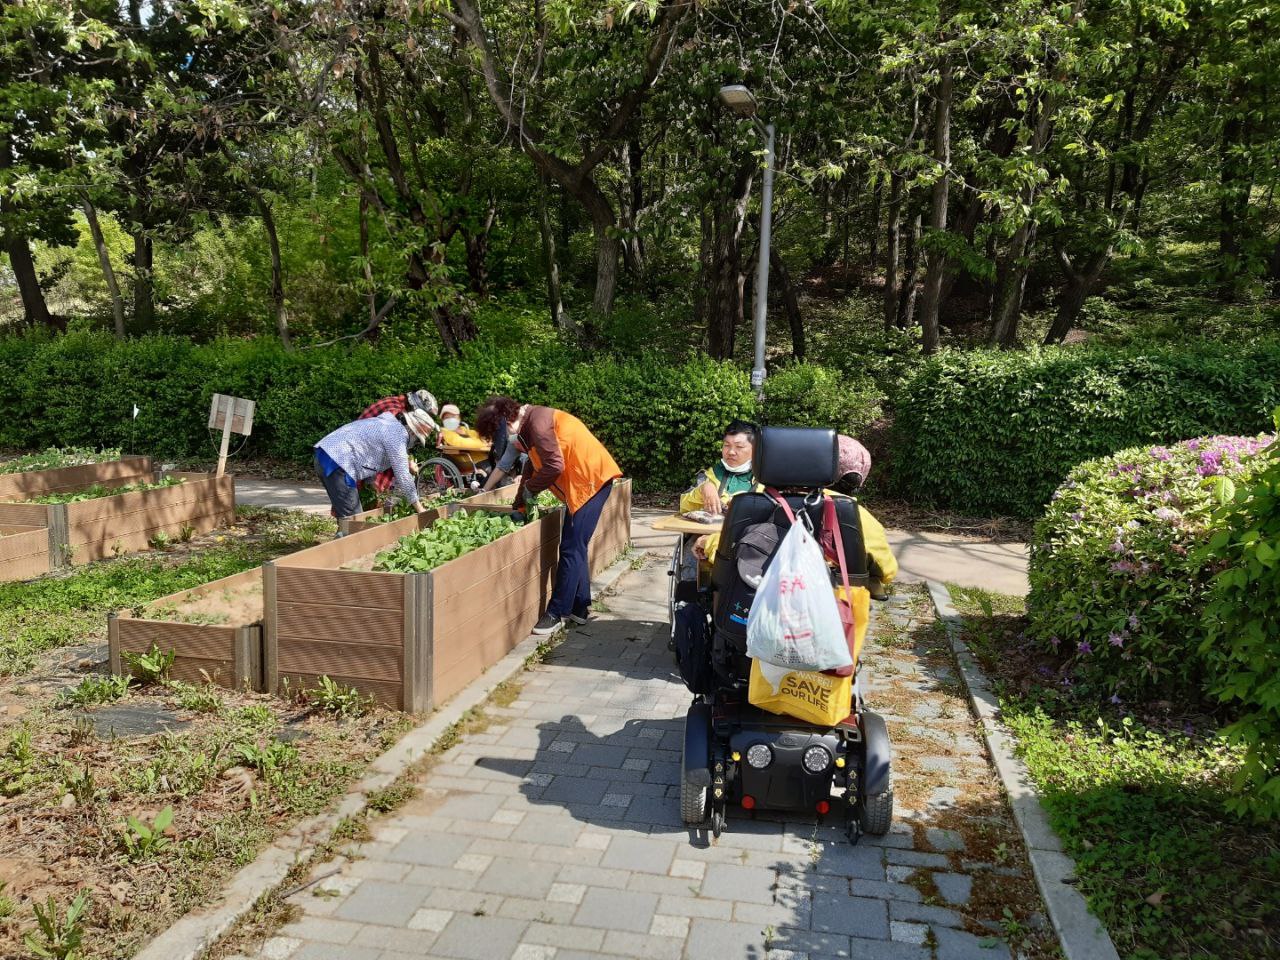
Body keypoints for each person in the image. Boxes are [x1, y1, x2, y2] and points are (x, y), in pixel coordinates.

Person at [475, 396, 622, 635]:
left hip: (591, 482)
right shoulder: (529, 425)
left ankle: (557, 612)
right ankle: (579, 607)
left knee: (571, 547)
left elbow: (554, 466)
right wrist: (519, 504)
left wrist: (531, 490)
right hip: (585, 482)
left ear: (506, 423)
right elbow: (531, 467)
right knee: (576, 545)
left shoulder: (538, 424)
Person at [693, 434, 898, 594]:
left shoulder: (759, 501)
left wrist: (706, 542)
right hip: (828, 622)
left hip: (758, 614)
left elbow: (734, 549)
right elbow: (887, 570)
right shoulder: (857, 514)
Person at [314, 409, 437, 528]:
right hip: (338, 462)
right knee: (355, 522)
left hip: (326, 455)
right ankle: (346, 545)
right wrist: (419, 508)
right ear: (412, 431)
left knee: (346, 517)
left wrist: (372, 486)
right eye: (417, 440)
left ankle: (340, 541)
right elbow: (403, 475)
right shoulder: (397, 435)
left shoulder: (389, 425)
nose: (414, 443)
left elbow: (368, 456)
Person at [360, 390, 439, 499]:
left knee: (370, 494)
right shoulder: (395, 412)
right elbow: (393, 445)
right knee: (369, 493)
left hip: (369, 448)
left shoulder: (396, 403)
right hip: (365, 451)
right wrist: (408, 463)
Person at [678, 420, 759, 516]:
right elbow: (683, 506)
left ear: (755, 449)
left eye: (739, 447)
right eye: (727, 445)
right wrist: (703, 489)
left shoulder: (765, 479)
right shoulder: (711, 473)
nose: (731, 452)